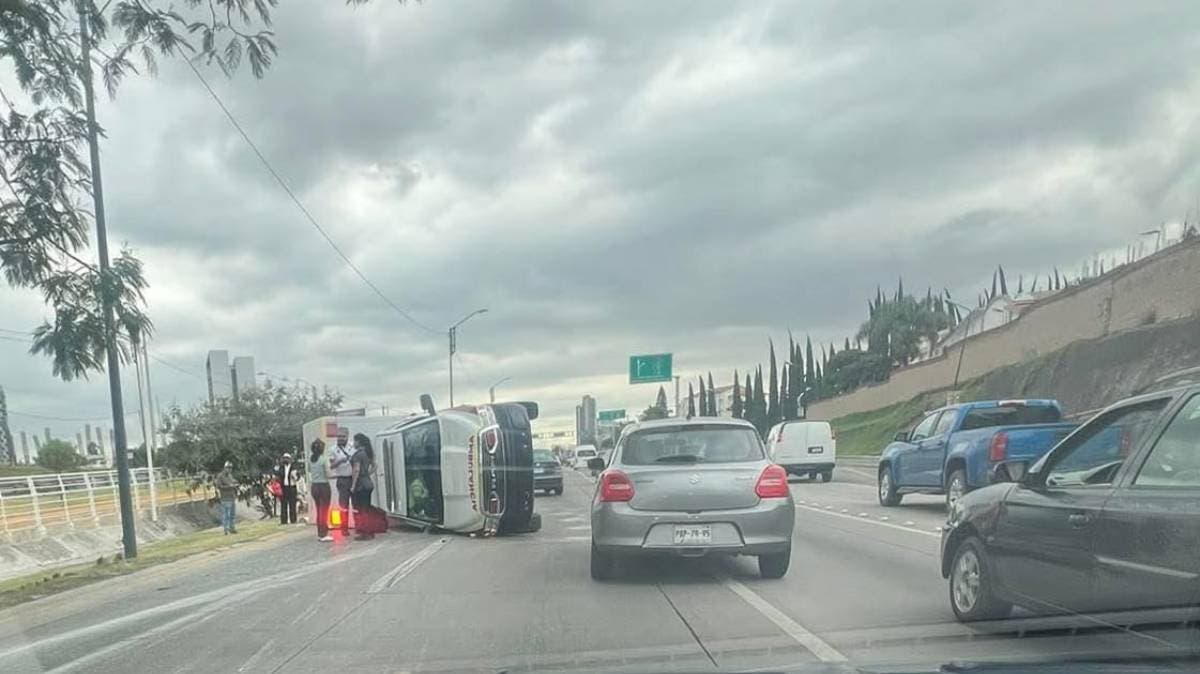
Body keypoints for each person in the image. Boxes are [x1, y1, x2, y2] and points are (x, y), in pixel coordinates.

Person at [350, 433, 378, 540]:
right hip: (368, 483)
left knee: (361, 509)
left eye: (354, 441)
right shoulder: (368, 453)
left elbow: (356, 470)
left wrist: (353, 485)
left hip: (361, 485)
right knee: (367, 508)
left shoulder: (358, 455)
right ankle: (370, 531)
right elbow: (375, 465)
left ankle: (364, 532)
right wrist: (367, 473)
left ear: (358, 442)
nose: (353, 443)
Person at [329, 429, 354, 536]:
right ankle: (344, 528)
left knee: (356, 504)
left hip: (353, 478)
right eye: (338, 436)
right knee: (343, 505)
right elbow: (331, 466)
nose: (340, 438)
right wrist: (340, 461)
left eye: (343, 436)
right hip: (342, 479)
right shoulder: (333, 449)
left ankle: (359, 526)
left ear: (347, 436)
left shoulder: (353, 446)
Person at [308, 439, 334, 542]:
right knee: (324, 510)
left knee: (319, 510)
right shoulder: (324, 459)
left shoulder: (311, 459)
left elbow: (310, 471)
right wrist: (334, 474)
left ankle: (320, 532)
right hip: (323, 486)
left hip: (314, 486)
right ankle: (324, 534)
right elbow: (328, 474)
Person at [274, 452, 301, 525]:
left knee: (292, 504)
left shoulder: (293, 467)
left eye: (287, 458)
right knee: (283, 505)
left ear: (290, 459)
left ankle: (293, 520)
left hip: (292, 487)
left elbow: (298, 477)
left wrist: (295, 476)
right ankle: (284, 521)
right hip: (284, 488)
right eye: (284, 458)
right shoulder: (281, 467)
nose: (285, 460)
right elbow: (277, 475)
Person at [215, 461, 238, 534]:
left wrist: (235, 483)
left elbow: (233, 481)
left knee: (232, 515)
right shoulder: (220, 476)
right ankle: (226, 529)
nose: (230, 469)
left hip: (232, 497)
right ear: (225, 468)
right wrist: (228, 486)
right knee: (226, 515)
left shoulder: (230, 476)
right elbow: (219, 486)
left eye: (231, 468)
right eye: (228, 468)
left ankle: (232, 528)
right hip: (225, 498)